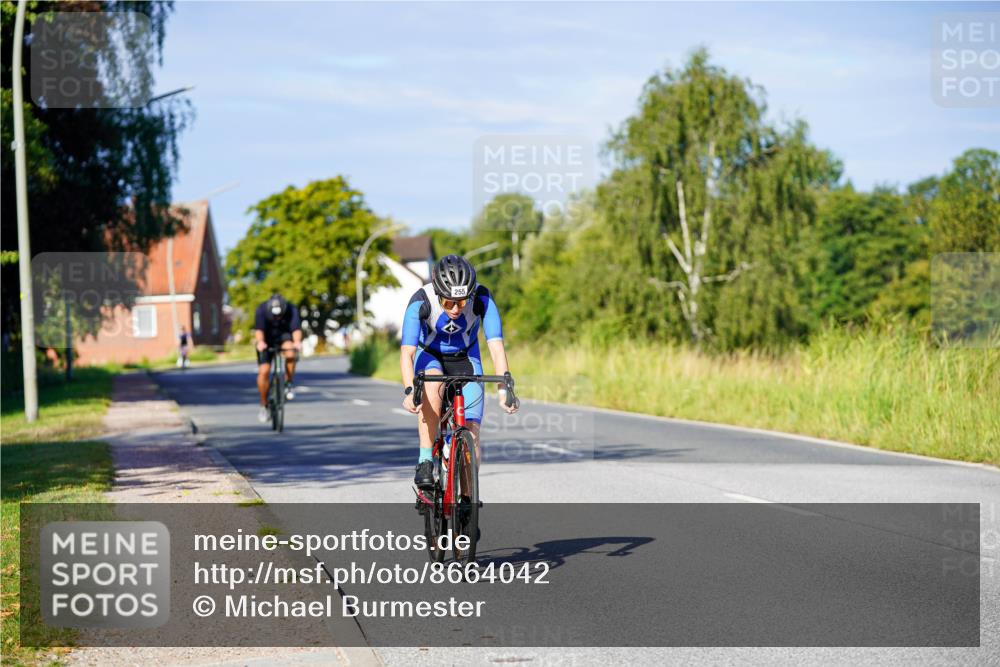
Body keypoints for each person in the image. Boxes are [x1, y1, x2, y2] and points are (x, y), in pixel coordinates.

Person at [400, 254, 518, 489]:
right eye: (448, 303)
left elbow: (496, 347)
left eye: (462, 303)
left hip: (466, 357)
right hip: (431, 356)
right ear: (438, 294)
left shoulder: (482, 298)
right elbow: (407, 353)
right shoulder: (421, 301)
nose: (455, 309)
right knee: (432, 383)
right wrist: (410, 391)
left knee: (472, 433)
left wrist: (504, 391)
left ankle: (466, 497)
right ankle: (425, 460)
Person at [254, 293, 302, 423]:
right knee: (264, 371)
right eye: (275, 315)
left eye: (280, 315)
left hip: (284, 337)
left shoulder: (291, 309)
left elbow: (296, 329)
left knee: (291, 352)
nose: (277, 317)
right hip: (267, 340)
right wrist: (260, 342)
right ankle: (264, 405)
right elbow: (259, 330)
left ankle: (288, 383)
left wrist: (297, 342)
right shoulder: (261, 309)